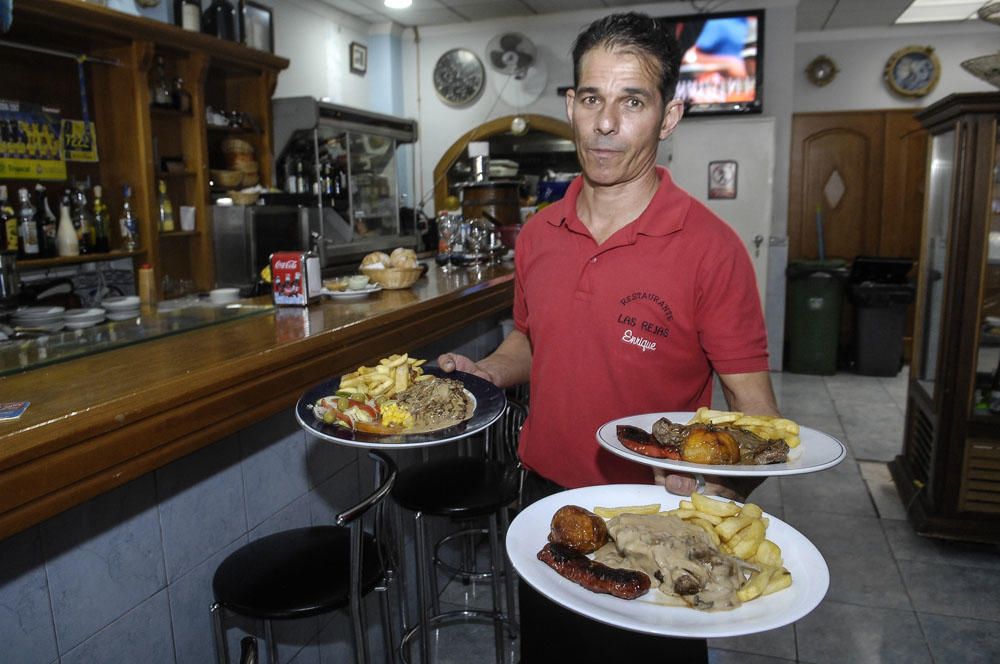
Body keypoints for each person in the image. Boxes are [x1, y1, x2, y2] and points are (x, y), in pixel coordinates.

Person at [439, 11, 779, 662]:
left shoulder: (711, 250)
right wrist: (487, 372)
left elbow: (758, 416)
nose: (604, 123)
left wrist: (719, 497)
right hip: (545, 499)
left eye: (632, 102)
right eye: (591, 98)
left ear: (669, 116)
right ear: (570, 103)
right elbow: (532, 344)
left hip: (656, 513)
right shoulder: (538, 236)